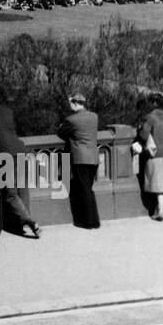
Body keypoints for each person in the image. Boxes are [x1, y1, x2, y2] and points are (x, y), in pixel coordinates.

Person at [0, 87, 40, 238]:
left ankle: (29, 221)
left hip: (4, 153)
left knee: (10, 193)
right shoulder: (8, 111)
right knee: (23, 188)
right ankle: (24, 224)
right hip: (20, 149)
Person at [57, 93, 100, 229]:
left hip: (80, 158)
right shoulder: (94, 117)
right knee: (89, 188)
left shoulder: (71, 119)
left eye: (70, 103)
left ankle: (87, 221)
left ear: (75, 103)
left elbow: (60, 132)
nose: (69, 106)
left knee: (83, 189)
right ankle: (95, 220)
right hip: (93, 157)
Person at [136, 93, 163, 221]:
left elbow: (143, 135)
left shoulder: (151, 117)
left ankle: (160, 212)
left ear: (153, 103)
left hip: (156, 153)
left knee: (159, 183)